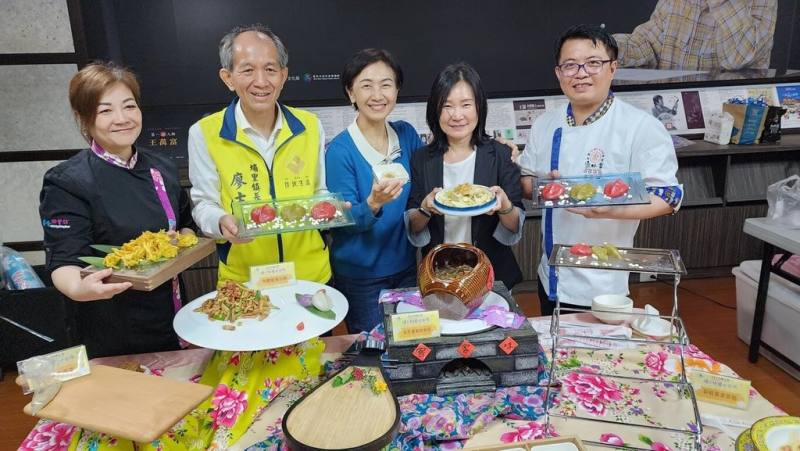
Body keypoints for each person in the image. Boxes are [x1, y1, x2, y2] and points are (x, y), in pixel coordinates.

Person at [519, 24, 683, 316]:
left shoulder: (640, 127)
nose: (581, 73)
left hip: (604, 281)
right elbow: (525, 181)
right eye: (570, 65)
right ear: (559, 73)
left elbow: (667, 196)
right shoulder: (545, 124)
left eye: (593, 63)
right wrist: (541, 185)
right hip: (549, 273)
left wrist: (609, 209)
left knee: (594, 357)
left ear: (613, 68)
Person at [39, 62, 195, 358]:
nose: (122, 119)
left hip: (171, 313)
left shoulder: (161, 168)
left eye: (129, 106)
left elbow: (185, 224)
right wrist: (79, 288)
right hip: (112, 324)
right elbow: (64, 260)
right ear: (84, 118)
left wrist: (184, 240)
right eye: (105, 110)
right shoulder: (68, 181)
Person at [189, 23, 330, 285]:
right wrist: (221, 222)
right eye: (247, 70)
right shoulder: (204, 133)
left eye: (270, 69)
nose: (261, 81)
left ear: (284, 75)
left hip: (310, 277)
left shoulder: (310, 126)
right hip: (245, 281)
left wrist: (329, 208)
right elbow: (203, 204)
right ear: (228, 78)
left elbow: (319, 191)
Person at [325, 49, 423, 333]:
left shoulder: (406, 135)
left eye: (386, 84)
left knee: (408, 344)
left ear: (397, 90)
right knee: (373, 351)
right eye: (366, 85)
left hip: (405, 266)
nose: (377, 94)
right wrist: (372, 204)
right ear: (351, 93)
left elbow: (430, 172)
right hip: (361, 277)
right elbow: (340, 223)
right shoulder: (340, 150)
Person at [406, 62, 524, 290]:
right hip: (440, 275)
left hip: (492, 274)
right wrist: (425, 208)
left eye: (466, 104)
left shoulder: (500, 154)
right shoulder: (421, 158)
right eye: (447, 106)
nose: (457, 115)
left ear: (479, 107)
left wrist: (505, 206)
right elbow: (413, 225)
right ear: (435, 110)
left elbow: (514, 226)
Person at [613, 0, 777, 70]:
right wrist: (604, 47)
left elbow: (739, 58)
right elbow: (648, 46)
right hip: (675, 115)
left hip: (727, 123)